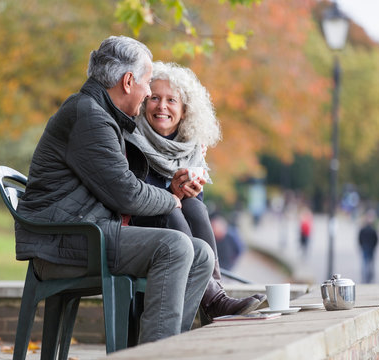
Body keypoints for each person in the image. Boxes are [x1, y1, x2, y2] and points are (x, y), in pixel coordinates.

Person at [15, 36, 215, 344]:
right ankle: (152, 353)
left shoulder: (100, 113)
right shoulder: (89, 117)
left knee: (200, 254)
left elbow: (121, 183)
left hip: (84, 232)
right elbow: (128, 194)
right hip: (64, 241)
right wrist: (172, 198)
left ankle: (166, 346)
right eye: (148, 84)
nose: (149, 93)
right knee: (175, 246)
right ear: (128, 81)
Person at [124, 61, 266, 324]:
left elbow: (192, 205)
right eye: (154, 98)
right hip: (136, 226)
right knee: (173, 211)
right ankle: (214, 302)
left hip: (173, 226)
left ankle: (215, 295)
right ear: (144, 103)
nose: (162, 106)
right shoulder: (131, 139)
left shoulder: (190, 148)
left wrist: (188, 191)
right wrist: (173, 194)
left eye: (171, 100)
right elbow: (134, 196)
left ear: (184, 109)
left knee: (196, 208)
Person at [358, 210, 378, 283]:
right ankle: (369, 277)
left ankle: (365, 277)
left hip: (365, 248)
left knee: (365, 263)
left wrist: (362, 246)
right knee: (370, 263)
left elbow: (359, 239)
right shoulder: (373, 230)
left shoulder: (363, 229)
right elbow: (376, 240)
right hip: (371, 248)